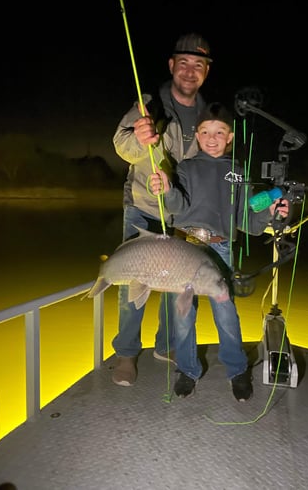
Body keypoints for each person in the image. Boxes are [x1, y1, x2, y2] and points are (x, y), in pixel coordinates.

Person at [149, 102, 289, 401]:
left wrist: (272, 210)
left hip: (221, 248)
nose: (212, 138)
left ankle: (237, 371)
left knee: (226, 313)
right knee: (183, 314)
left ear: (230, 137)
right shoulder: (185, 168)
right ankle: (187, 370)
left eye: (219, 132)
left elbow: (247, 220)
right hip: (185, 248)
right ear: (197, 136)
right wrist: (166, 190)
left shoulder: (238, 172)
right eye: (205, 132)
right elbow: (177, 208)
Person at [111, 33, 213, 386]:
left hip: (181, 213)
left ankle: (165, 344)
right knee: (132, 287)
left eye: (197, 65)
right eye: (183, 63)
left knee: (179, 283)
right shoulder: (150, 103)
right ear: (172, 66)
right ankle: (126, 354)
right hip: (142, 207)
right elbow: (121, 144)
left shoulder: (207, 115)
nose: (189, 71)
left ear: (205, 72)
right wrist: (139, 138)